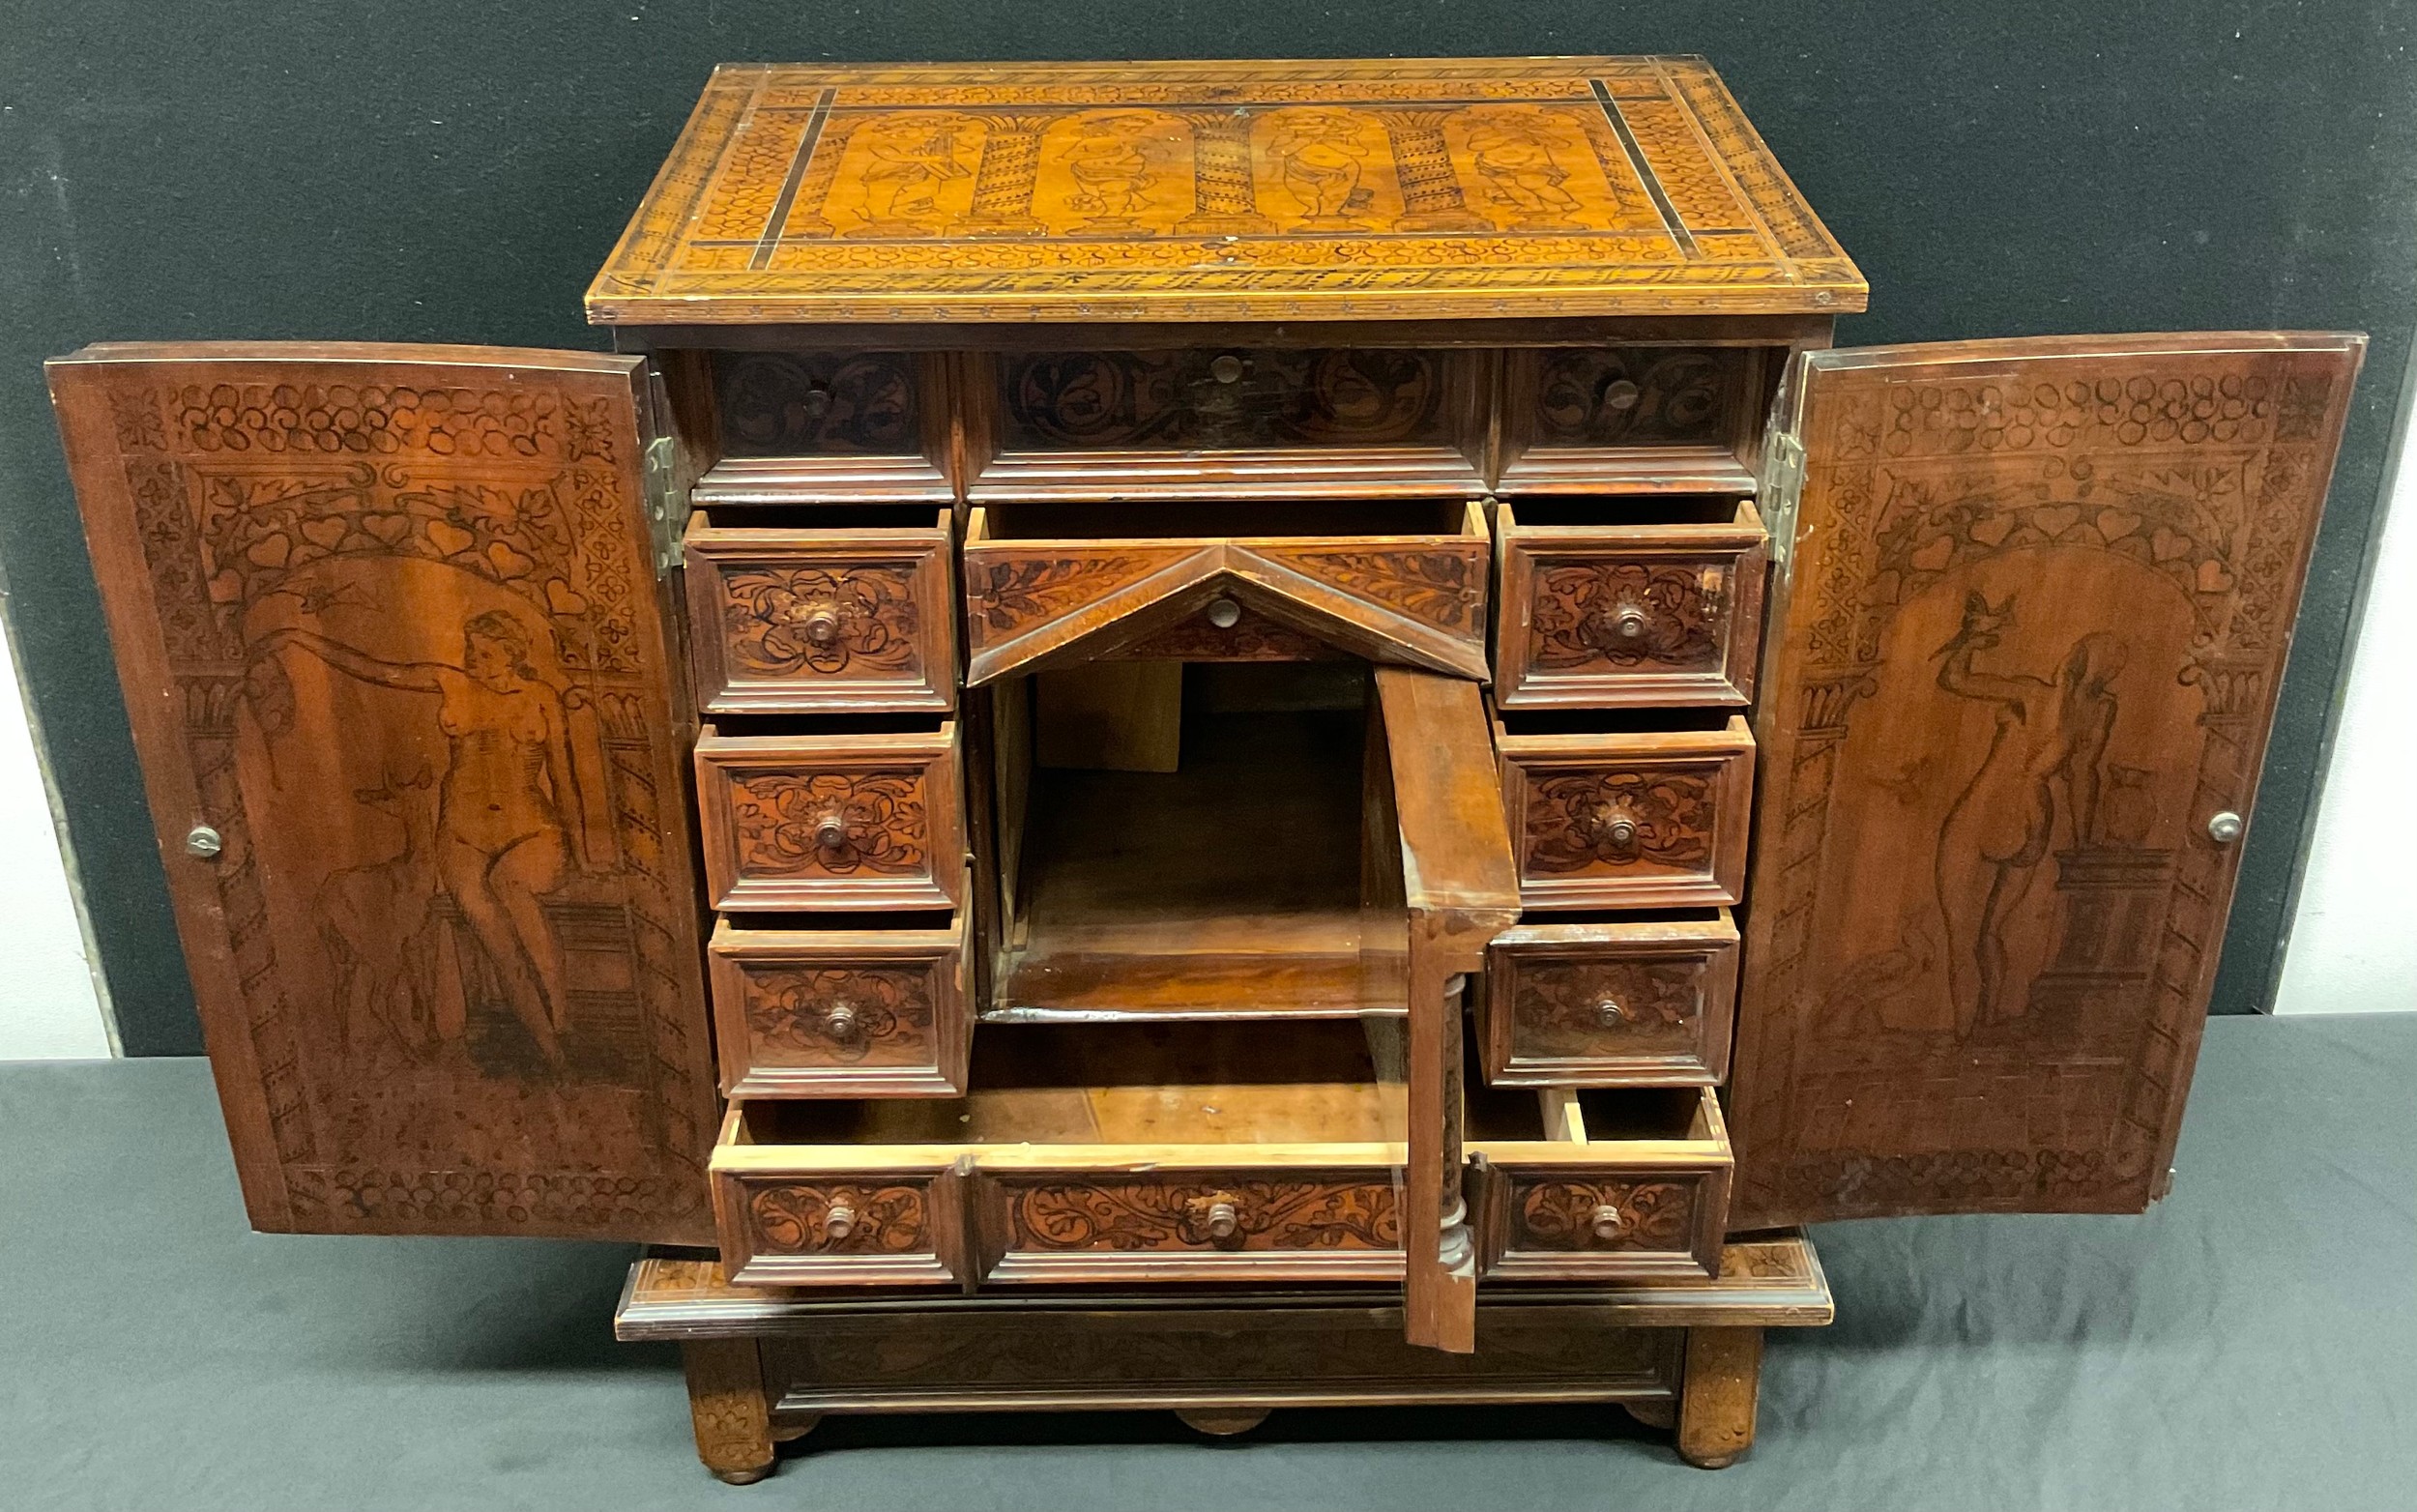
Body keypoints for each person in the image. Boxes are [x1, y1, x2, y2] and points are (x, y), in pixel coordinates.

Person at [258, 610, 585, 1066]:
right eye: (471, 650)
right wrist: (298, 635)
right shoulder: (450, 683)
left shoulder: (541, 698)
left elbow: (564, 779)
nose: (475, 661)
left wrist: (583, 848)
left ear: (512, 653)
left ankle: (561, 1015)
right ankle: (549, 1051)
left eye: (486, 653)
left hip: (530, 828)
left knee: (512, 887)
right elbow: (375, 670)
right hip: (461, 834)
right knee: (494, 936)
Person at [1932, 592, 2126, 1035]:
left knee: (1960, 938)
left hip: (1987, 810)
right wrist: (2084, 840)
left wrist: (1969, 641)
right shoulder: (2098, 711)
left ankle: (1963, 1040)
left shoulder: (2027, 694)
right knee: (1990, 932)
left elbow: (1955, 679)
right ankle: (1987, 1024)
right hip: (2035, 818)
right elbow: (2083, 777)